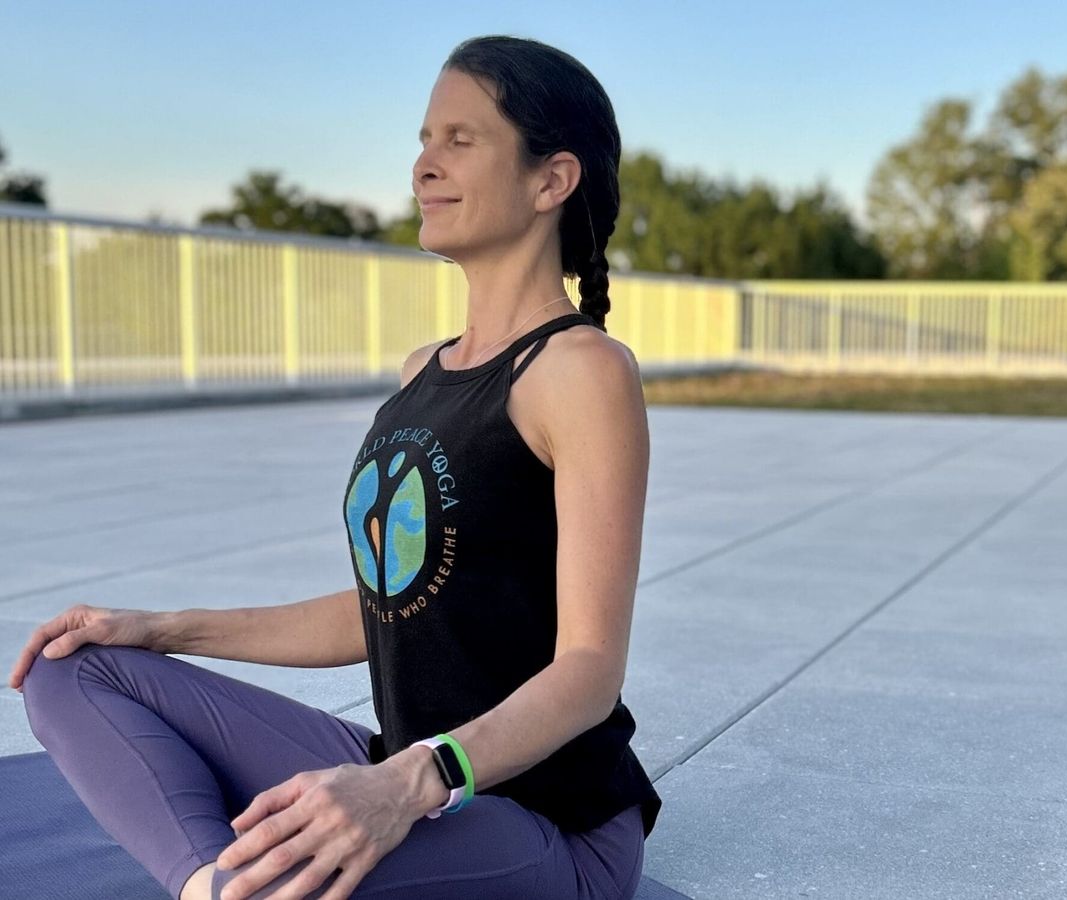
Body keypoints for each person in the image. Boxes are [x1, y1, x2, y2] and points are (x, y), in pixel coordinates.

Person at [8, 33, 662, 900]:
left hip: (541, 823)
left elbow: (589, 670)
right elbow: (387, 611)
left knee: (294, 868)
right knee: (72, 665)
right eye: (425, 140)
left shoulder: (581, 372)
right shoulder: (419, 372)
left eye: (461, 140)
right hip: (392, 774)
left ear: (552, 179)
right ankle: (211, 887)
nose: (425, 164)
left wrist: (413, 782)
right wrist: (160, 627)